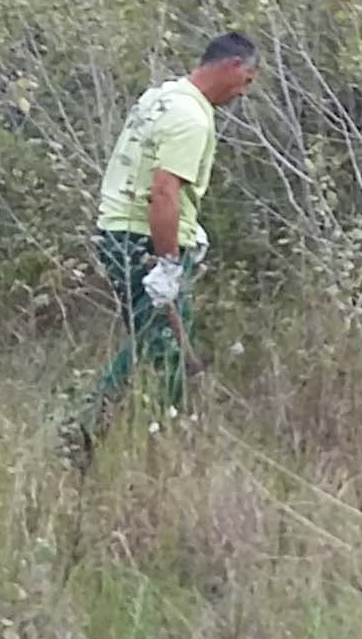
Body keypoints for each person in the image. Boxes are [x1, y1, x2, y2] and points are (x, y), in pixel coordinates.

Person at [65, 32, 261, 462]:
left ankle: (137, 436)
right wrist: (168, 262)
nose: (243, 93)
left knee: (154, 339)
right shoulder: (191, 117)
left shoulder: (162, 96)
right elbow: (164, 192)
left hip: (119, 231)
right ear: (230, 66)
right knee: (162, 345)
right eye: (246, 80)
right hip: (144, 241)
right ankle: (101, 435)